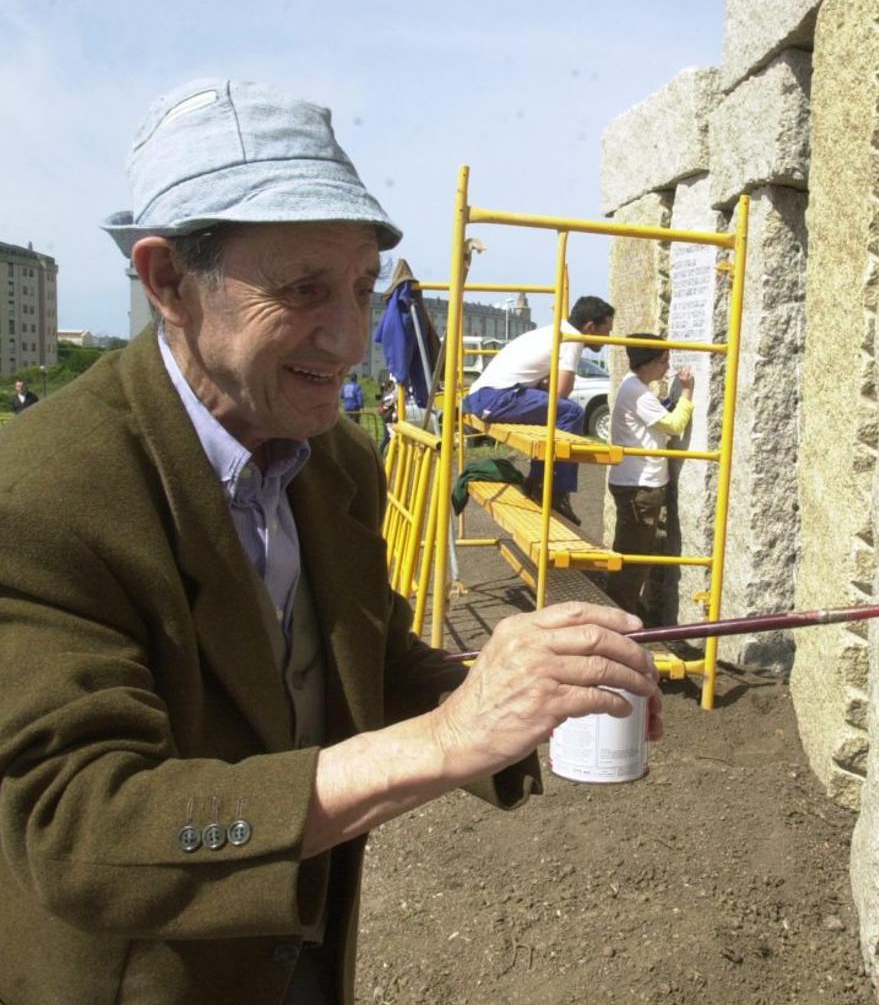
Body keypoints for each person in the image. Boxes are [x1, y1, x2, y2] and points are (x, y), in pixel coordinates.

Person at [0, 78, 661, 1005]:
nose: (351, 340)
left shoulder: (336, 462)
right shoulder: (37, 495)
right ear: (166, 281)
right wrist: (445, 736)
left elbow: (372, 663)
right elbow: (78, 826)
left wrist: (533, 694)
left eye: (360, 288)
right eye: (304, 289)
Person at [463, 296, 615, 525]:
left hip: (485, 395)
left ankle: (538, 482)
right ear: (590, 327)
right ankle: (555, 493)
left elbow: (549, 389)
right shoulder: (571, 339)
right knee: (571, 413)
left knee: (557, 412)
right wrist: (548, 386)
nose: (608, 338)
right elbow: (561, 393)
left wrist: (545, 385)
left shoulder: (552, 331)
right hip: (495, 397)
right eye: (606, 331)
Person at [606, 334, 695, 615]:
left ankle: (623, 609)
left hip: (634, 483)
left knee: (632, 553)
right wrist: (688, 392)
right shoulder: (638, 392)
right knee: (634, 559)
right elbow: (673, 425)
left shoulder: (633, 385)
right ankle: (621, 617)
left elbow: (656, 418)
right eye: (663, 361)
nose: (667, 367)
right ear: (647, 363)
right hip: (640, 487)